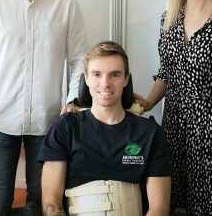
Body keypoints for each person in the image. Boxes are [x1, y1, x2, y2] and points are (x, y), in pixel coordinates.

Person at [0, 0, 88, 215]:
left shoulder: (66, 4)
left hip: (48, 123)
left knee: (41, 205)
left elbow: (79, 59)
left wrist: (73, 100)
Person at [37, 40, 171, 216]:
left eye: (114, 75)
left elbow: (159, 208)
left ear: (126, 79)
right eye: (97, 74)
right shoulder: (65, 128)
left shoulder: (150, 133)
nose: (105, 84)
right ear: (86, 78)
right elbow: (51, 203)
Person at [135, 0, 212, 216]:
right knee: (172, 202)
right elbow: (167, 71)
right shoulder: (169, 19)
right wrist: (147, 103)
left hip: (208, 129)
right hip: (174, 127)